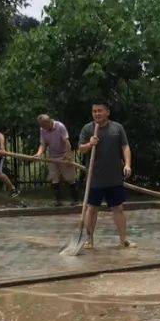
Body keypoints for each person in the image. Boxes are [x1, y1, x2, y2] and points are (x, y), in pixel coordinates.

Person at [77, 101, 134, 249]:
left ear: (107, 112)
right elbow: (81, 149)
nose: (97, 113)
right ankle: (90, 240)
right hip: (94, 178)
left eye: (100, 111)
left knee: (118, 209)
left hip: (114, 177)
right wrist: (89, 144)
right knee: (92, 209)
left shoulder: (117, 128)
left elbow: (125, 146)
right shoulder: (88, 128)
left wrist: (127, 164)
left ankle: (123, 240)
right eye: (94, 111)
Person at [34, 113, 78, 206]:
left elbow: (66, 142)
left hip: (64, 154)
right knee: (54, 177)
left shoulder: (60, 126)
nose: (43, 128)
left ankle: (75, 199)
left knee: (70, 178)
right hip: (53, 156)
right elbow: (43, 144)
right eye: (41, 126)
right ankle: (58, 200)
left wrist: (67, 155)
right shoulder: (43, 129)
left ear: (48, 122)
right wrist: (38, 154)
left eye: (44, 125)